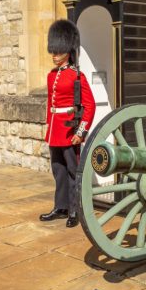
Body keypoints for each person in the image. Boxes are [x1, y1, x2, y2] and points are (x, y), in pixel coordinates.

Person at [39, 19, 96, 228]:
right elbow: (50, 104)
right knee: (58, 170)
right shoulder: (51, 75)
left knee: (73, 171)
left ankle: (74, 209)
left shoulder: (76, 76)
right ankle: (60, 207)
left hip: (69, 130)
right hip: (55, 130)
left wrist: (80, 132)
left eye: (58, 51)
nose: (54, 55)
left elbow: (89, 106)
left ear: (68, 50)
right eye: (53, 51)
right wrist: (48, 127)